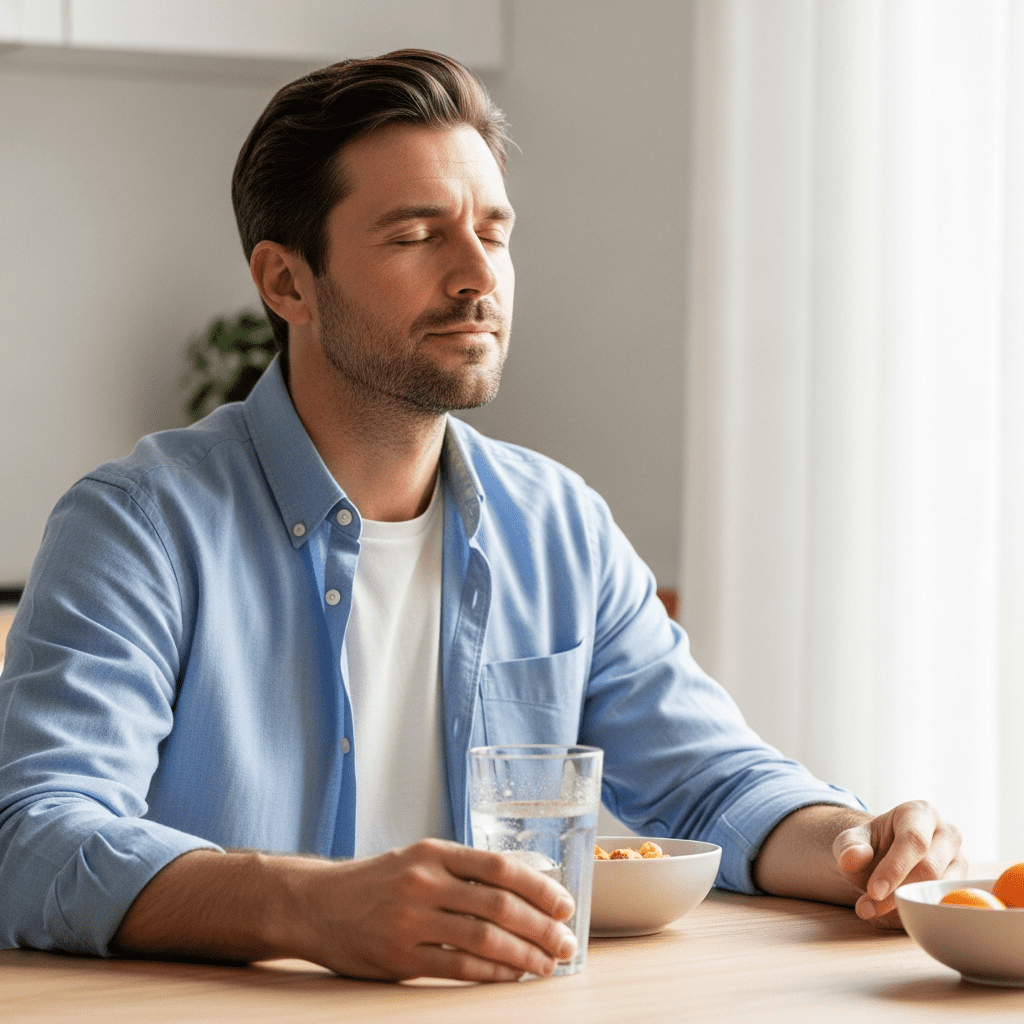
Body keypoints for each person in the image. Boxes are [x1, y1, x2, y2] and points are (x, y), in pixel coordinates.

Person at [0, 50, 964, 982]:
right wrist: (313, 908)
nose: (478, 276)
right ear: (286, 281)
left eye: (494, 233)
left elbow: (713, 783)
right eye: (418, 235)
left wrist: (850, 843)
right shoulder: (138, 529)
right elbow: (36, 836)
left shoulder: (559, 526)